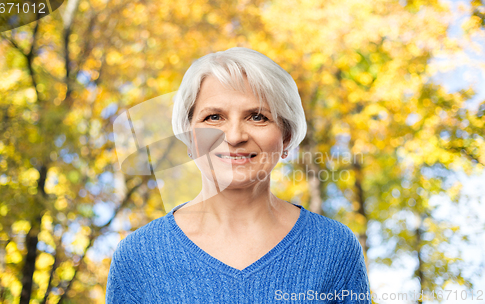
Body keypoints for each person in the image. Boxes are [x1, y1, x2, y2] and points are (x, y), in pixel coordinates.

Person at [106, 47, 371, 303]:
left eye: (257, 117)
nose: (234, 137)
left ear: (286, 137)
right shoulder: (138, 257)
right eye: (213, 118)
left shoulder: (335, 248)